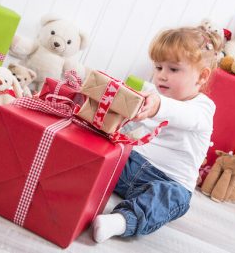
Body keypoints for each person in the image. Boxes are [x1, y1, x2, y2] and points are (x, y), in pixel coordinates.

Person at [92, 26, 223, 243]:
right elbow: (130, 129)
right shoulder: (155, 96)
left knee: (169, 199)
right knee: (106, 152)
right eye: (158, 67)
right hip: (134, 163)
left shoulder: (202, 108)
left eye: (173, 69)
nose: (162, 76)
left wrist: (158, 105)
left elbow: (183, 115)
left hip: (170, 181)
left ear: (201, 77)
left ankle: (120, 221)